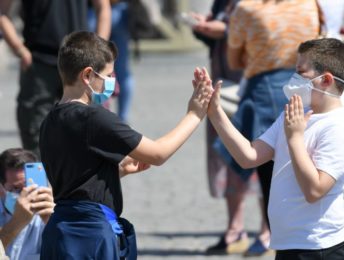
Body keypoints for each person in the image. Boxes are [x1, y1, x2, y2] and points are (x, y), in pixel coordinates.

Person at [38, 31, 213, 259]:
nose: (113, 83)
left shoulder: (49, 120)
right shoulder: (94, 117)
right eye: (108, 75)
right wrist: (195, 114)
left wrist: (114, 172)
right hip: (91, 238)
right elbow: (158, 153)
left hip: (59, 234)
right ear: (88, 75)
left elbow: (74, 179)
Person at [199, 37, 344, 259]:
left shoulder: (337, 129)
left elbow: (314, 191)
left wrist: (295, 139)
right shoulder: (295, 113)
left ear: (326, 80)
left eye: (300, 74)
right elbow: (249, 156)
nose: (292, 81)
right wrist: (215, 112)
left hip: (319, 247)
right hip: (287, 243)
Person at [212, 0, 320, 255]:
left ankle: (267, 232)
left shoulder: (246, 9)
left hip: (262, 88)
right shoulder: (309, 4)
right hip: (304, 86)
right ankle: (273, 231)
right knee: (302, 161)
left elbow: (234, 59)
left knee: (263, 165)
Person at [191, 0, 268, 255]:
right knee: (225, 154)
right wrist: (201, 26)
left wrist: (224, 29)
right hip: (224, 83)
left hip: (253, 83)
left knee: (260, 156)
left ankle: (268, 231)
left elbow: (266, 28)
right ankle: (235, 229)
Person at [0, 0, 111, 157]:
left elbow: (103, 7)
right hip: (38, 62)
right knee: (34, 133)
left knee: (87, 130)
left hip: (81, 62)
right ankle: (40, 180)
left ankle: (82, 178)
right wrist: (19, 49)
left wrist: (99, 50)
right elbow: (2, 12)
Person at [0, 148, 55, 260]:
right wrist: (16, 223)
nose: (25, 194)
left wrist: (54, 223)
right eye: (16, 188)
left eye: (30, 188)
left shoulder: (50, 214)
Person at [88, 0, 134, 121]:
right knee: (121, 70)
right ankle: (122, 119)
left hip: (95, 13)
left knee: (95, 68)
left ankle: (100, 115)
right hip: (119, 11)